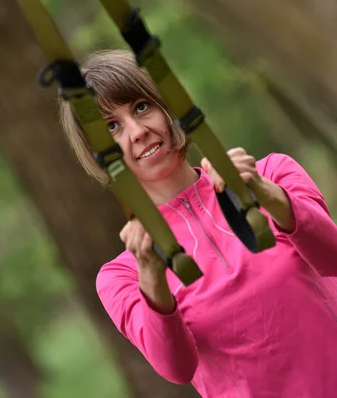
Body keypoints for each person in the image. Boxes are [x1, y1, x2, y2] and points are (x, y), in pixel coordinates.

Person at [60, 49, 337, 397]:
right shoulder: (122, 276)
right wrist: (151, 276)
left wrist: (265, 193)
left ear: (167, 106)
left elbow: (333, 258)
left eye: (141, 107)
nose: (136, 132)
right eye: (112, 127)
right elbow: (176, 368)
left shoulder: (271, 173)